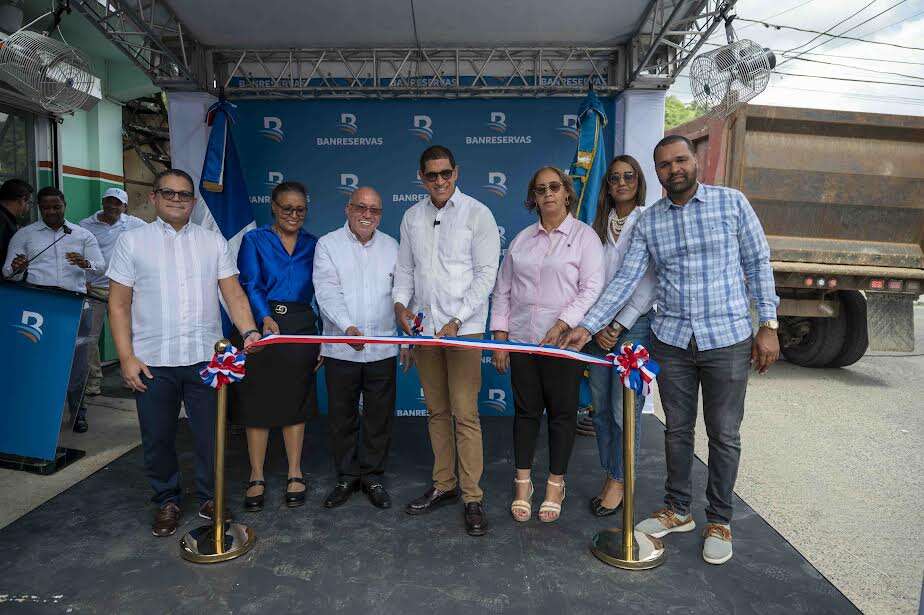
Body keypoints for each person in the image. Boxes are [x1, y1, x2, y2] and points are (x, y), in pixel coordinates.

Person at [564, 135, 780, 565]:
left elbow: (758, 262)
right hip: (673, 341)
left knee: (724, 434)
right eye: (664, 164)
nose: (674, 169)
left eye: (680, 160)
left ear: (695, 161)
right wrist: (586, 325)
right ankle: (678, 510)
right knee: (676, 430)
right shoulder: (650, 222)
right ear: (658, 172)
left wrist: (769, 325)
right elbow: (627, 279)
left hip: (727, 338)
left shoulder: (731, 203)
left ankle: (719, 521)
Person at [107, 169, 262, 537]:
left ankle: (212, 498)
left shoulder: (213, 241)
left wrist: (249, 331)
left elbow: (233, 293)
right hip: (151, 362)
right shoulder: (132, 242)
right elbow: (118, 304)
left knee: (211, 436)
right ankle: (167, 500)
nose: (176, 199)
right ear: (154, 198)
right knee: (158, 438)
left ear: (193, 202)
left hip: (206, 360)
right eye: (169, 193)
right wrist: (126, 357)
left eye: (183, 195)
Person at [393, 145, 500, 536]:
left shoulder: (478, 214)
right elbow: (405, 271)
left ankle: (472, 496)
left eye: (445, 173)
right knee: (436, 411)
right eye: (431, 175)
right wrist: (400, 306)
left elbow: (486, 275)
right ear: (421, 177)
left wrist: (457, 320)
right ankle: (445, 484)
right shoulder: (411, 217)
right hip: (425, 330)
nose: (439, 180)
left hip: (463, 329)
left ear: (456, 173)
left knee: (465, 414)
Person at [490, 166, 603, 523]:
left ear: (567, 193)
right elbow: (503, 290)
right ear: (534, 198)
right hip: (523, 341)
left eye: (555, 187)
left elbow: (591, 288)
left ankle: (556, 485)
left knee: (562, 415)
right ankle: (523, 484)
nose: (548, 194)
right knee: (525, 413)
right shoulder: (521, 240)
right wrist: (500, 338)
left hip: (563, 344)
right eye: (541, 189)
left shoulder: (585, 237)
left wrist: (563, 323)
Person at [232, 181, 319, 511]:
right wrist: (263, 317)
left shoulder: (314, 244)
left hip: (302, 326)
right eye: (287, 208)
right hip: (260, 326)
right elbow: (250, 282)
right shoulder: (254, 240)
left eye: (300, 210)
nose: (294, 215)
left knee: (296, 399)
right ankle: (256, 475)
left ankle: (295, 471)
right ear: (273, 206)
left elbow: (322, 292)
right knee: (258, 402)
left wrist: (322, 338)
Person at [314, 186, 399, 510]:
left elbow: (402, 294)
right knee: (342, 416)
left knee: (379, 417)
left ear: (380, 215)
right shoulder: (328, 245)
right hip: (341, 348)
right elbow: (326, 292)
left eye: (374, 210)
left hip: (382, 348)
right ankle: (347, 476)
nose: (367, 214)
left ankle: (373, 476)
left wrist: (406, 338)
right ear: (348, 209)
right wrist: (346, 326)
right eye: (361, 207)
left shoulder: (392, 247)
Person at [585, 155, 657, 517]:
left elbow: (649, 281)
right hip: (597, 328)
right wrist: (597, 325)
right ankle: (611, 472)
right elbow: (589, 282)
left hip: (634, 326)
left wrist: (618, 324)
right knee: (599, 408)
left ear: (638, 181)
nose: (622, 182)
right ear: (607, 186)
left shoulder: (649, 220)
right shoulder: (596, 227)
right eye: (614, 178)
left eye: (629, 176)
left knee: (622, 409)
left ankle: (620, 480)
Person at [3, 186, 105, 433]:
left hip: (76, 306)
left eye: (56, 206)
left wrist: (85, 263)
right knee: (38, 362)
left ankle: (78, 411)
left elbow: (101, 267)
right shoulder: (25, 235)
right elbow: (7, 272)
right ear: (39, 208)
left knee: (77, 365)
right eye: (46, 207)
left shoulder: (82, 235)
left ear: (64, 205)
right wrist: (16, 268)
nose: (51, 212)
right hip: (39, 308)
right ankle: (38, 412)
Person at [78, 188, 146, 397]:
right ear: (103, 202)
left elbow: (154, 242)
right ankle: (92, 382)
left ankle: (131, 378)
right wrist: (82, 280)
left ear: (125, 207)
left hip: (124, 289)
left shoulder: (135, 224)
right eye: (109, 201)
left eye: (117, 203)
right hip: (95, 289)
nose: (112, 206)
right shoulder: (85, 225)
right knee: (89, 337)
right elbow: (79, 255)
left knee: (130, 334)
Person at [0, 178, 33, 268]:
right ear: (21, 200)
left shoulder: (7, 219)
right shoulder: (3, 220)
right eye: (29, 202)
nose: (28, 208)